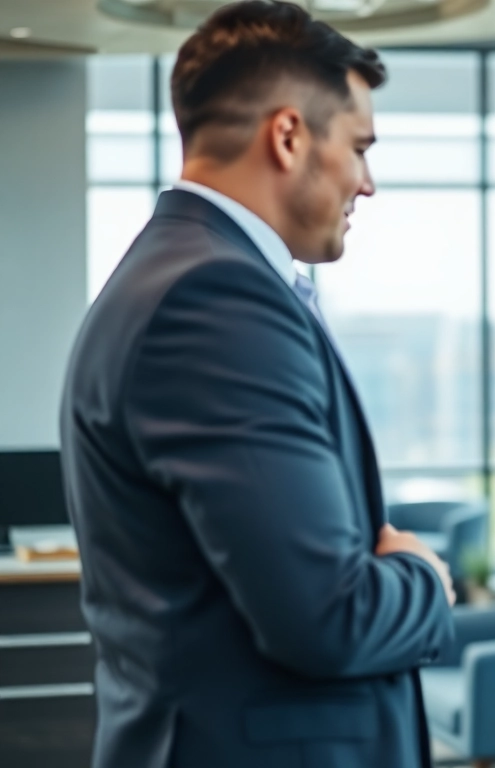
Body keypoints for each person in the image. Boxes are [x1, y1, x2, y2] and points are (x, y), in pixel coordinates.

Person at [60, 3, 455, 767]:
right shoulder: (216, 302)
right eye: (359, 148)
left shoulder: (176, 276)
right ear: (288, 136)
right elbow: (328, 617)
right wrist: (424, 577)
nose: (368, 183)